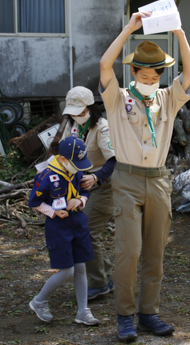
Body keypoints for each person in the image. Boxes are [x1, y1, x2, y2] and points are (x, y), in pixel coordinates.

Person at [99, 11, 190, 342]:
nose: (150, 82)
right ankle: (125, 316)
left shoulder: (167, 100)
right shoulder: (118, 99)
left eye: (155, 77)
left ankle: (148, 313)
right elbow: (103, 66)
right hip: (126, 179)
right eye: (144, 76)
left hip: (158, 180)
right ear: (133, 72)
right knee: (130, 250)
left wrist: (180, 33)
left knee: (155, 251)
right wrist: (128, 28)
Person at [27, 137, 100, 326]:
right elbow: (34, 202)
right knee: (67, 270)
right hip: (58, 226)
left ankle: (83, 311)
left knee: (81, 267)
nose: (79, 168)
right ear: (63, 159)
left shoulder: (75, 170)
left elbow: (84, 191)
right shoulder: (46, 175)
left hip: (78, 222)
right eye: (76, 163)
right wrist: (52, 212)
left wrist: (80, 201)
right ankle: (39, 301)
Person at [61, 86, 117, 299]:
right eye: (73, 112)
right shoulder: (72, 127)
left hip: (103, 186)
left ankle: (98, 283)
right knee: (85, 232)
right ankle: (105, 277)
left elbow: (113, 159)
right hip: (78, 185)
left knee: (88, 232)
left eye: (80, 111)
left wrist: (96, 177)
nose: (77, 115)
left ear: (90, 109)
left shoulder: (102, 128)